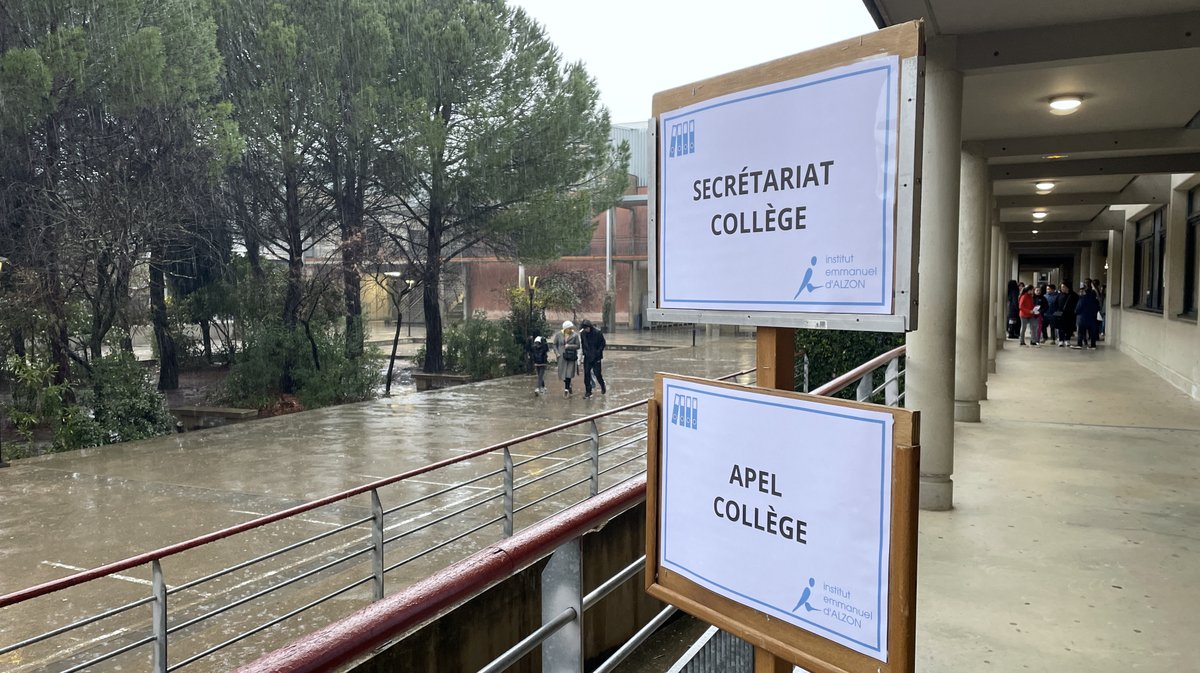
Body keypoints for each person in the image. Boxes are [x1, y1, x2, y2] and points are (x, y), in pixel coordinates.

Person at [579, 319, 607, 399]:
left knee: (597, 373)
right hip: (587, 357)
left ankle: (602, 385)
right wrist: (584, 353)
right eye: (585, 328)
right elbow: (583, 343)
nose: (586, 330)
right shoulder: (583, 333)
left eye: (587, 328)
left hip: (596, 357)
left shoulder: (597, 333)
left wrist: (598, 352)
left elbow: (603, 343)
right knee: (586, 374)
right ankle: (588, 391)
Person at [552, 320, 581, 396]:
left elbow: (578, 346)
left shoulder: (575, 335)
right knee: (563, 374)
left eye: (571, 328)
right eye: (569, 328)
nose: (570, 329)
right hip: (561, 357)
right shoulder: (558, 335)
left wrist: (569, 346)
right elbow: (554, 345)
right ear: (565, 328)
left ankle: (566, 390)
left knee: (568, 373)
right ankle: (569, 385)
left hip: (571, 357)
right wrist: (557, 353)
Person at [1073, 283, 1100, 350]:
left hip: (1082, 318)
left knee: (1081, 332)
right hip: (1092, 318)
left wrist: (1076, 312)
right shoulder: (1095, 300)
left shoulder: (1082, 299)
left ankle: (1079, 344)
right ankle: (1093, 345)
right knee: (1092, 332)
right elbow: (1097, 308)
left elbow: (1078, 308)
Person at [1056, 282, 1077, 347]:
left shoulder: (1074, 295)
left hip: (1070, 315)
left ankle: (1067, 340)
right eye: (1061, 287)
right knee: (1060, 328)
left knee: (1069, 328)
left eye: (1064, 287)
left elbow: (1076, 305)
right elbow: (1055, 304)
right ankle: (1061, 340)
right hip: (1061, 314)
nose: (1062, 288)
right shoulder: (1059, 295)